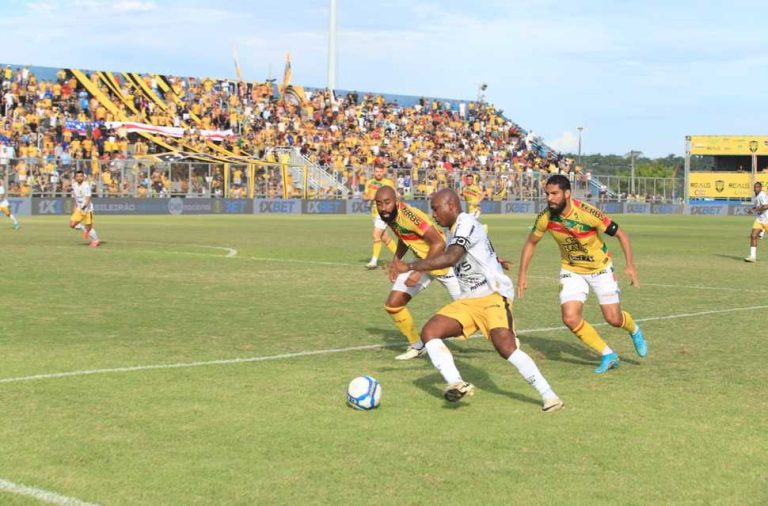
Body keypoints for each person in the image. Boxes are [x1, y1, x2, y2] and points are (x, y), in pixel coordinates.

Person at [390, 189, 563, 412]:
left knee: (506, 347)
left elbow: (451, 257)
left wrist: (411, 266)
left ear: (451, 206)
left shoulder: (466, 222)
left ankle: (550, 396)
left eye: (435, 208)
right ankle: (456, 382)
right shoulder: (453, 229)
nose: (433, 214)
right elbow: (474, 251)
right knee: (430, 332)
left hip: (492, 296)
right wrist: (495, 259)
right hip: (469, 300)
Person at [517, 175, 647, 374]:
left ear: (567, 193)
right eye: (547, 194)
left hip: (600, 269)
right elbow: (531, 243)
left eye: (554, 193)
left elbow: (621, 234)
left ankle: (634, 329)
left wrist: (630, 265)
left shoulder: (588, 213)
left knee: (613, 319)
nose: (549, 198)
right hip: (572, 270)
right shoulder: (545, 218)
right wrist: (522, 275)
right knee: (570, 318)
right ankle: (608, 354)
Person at [374, 186, 460, 360]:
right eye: (379, 204)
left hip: (444, 264)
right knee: (393, 304)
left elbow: (438, 243)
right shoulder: (390, 216)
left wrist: (419, 271)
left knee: (475, 307)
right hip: (424, 264)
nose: (383, 208)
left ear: (396, 201)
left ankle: (507, 335)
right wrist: (396, 260)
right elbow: (404, 236)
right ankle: (417, 346)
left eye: (387, 203)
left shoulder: (411, 216)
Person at [362, 165, 397, 269]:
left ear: (384, 172)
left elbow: (395, 195)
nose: (378, 173)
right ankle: (400, 258)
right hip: (374, 212)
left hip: (383, 212)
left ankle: (373, 262)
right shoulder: (369, 182)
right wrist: (369, 197)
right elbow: (364, 196)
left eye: (380, 171)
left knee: (376, 235)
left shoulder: (388, 183)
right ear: (374, 172)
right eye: (377, 171)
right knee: (385, 238)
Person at [70, 170, 100, 247]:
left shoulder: (86, 185)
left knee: (89, 227)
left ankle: (96, 240)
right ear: (75, 177)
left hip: (88, 209)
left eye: (81, 176)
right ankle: (85, 230)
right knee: (72, 224)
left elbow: (88, 198)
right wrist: (75, 207)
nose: (79, 178)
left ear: (83, 177)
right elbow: (75, 197)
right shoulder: (74, 185)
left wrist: (84, 207)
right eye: (77, 176)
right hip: (79, 209)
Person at [744, 181, 768, 262]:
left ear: (761, 188)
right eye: (754, 187)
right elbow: (757, 206)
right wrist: (752, 210)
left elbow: (766, 206)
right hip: (759, 219)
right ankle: (752, 257)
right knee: (753, 236)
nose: (755, 188)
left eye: (757, 187)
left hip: (767, 219)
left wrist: (756, 210)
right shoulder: (756, 196)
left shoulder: (762, 195)